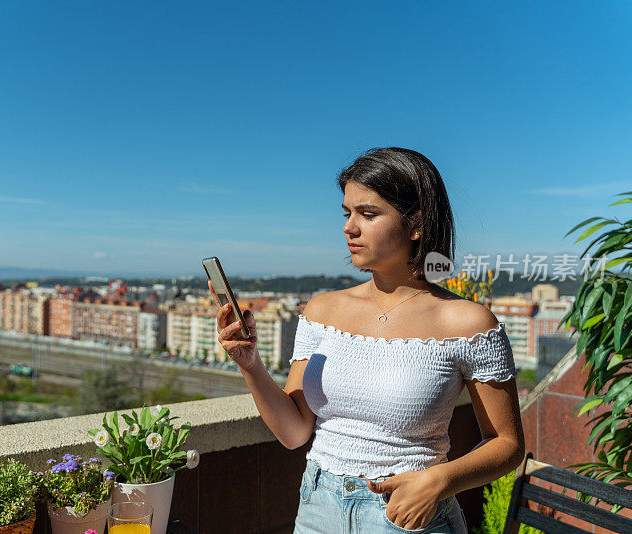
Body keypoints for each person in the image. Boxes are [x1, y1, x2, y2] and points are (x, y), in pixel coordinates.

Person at [208, 147, 525, 534]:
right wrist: (250, 364)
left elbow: (506, 444)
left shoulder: (468, 323)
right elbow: (294, 433)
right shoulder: (321, 310)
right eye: (347, 212)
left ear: (417, 224)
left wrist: (441, 480)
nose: (349, 227)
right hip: (317, 507)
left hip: (408, 515)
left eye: (368, 214)